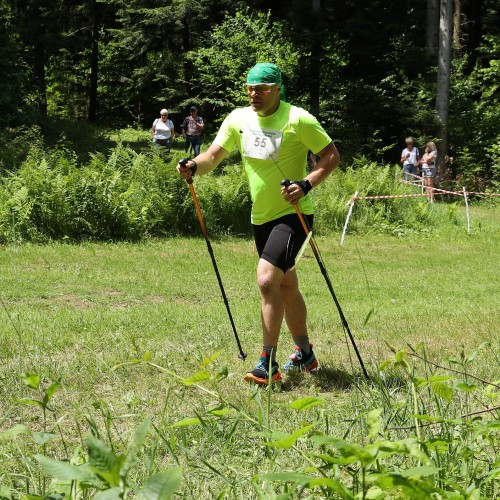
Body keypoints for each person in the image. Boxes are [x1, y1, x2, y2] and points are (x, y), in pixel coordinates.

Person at [177, 63, 340, 385]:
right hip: (260, 218)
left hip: (294, 215)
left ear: (278, 89)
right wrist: (194, 165)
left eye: (262, 89)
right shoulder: (238, 119)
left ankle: (267, 362)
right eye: (250, 88)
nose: (255, 94)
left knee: (267, 280)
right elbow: (213, 155)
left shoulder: (298, 119)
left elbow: (331, 155)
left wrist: (306, 184)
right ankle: (305, 354)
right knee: (286, 285)